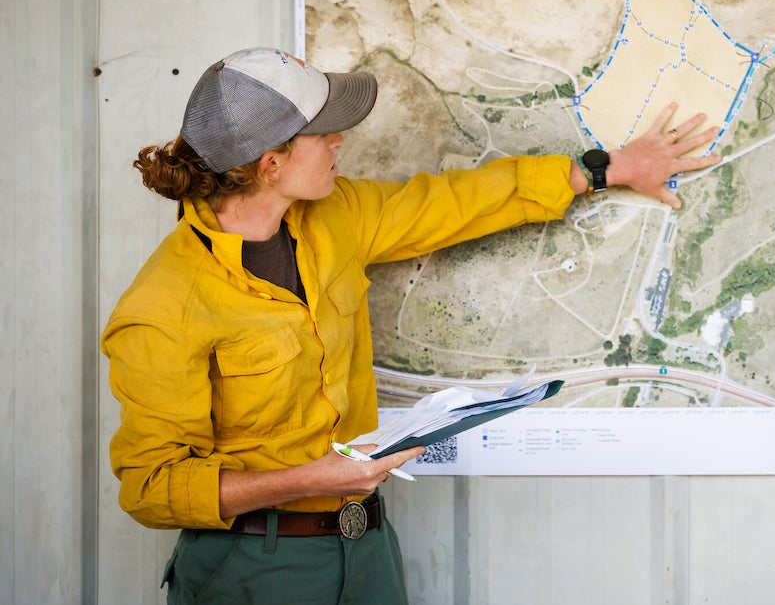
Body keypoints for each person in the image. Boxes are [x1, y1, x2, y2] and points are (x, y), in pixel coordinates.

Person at [101, 46, 720, 604]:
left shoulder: (334, 216)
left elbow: (451, 203)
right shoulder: (163, 306)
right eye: (322, 133)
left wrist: (604, 169)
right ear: (271, 164)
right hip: (252, 569)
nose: (339, 140)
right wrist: (313, 479)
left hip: (368, 550)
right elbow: (152, 487)